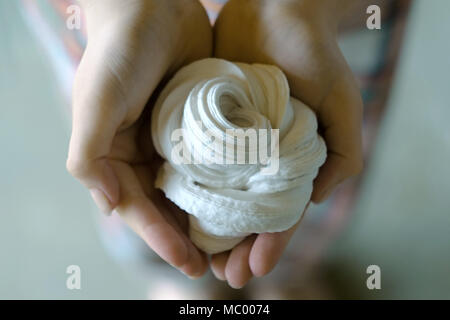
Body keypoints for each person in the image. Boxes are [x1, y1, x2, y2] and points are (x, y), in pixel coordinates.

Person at [66, 0, 363, 289]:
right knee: (122, 174)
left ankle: (288, 276)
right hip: (104, 17)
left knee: (312, 214)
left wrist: (296, 8)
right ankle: (180, 283)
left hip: (327, 18)